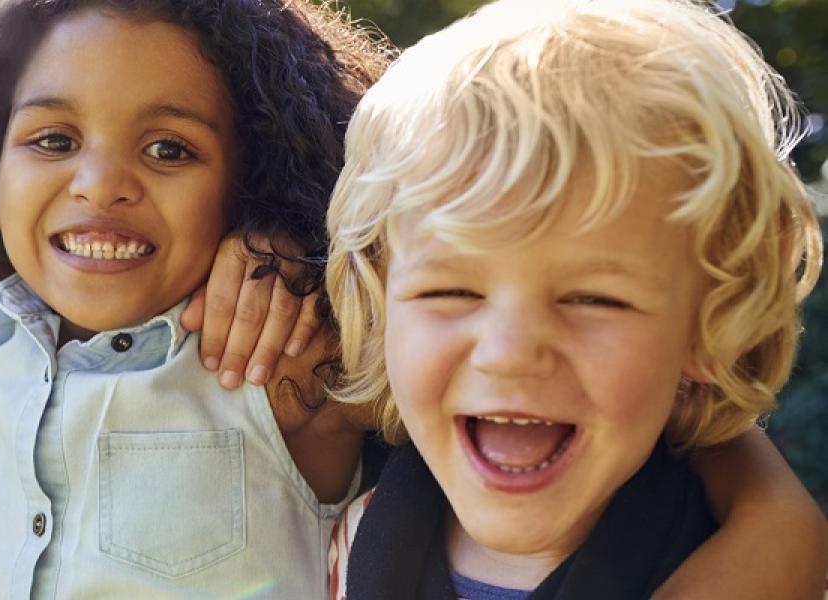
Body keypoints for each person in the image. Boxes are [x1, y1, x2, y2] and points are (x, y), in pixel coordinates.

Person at [323, 0, 828, 597]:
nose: (509, 353)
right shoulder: (338, 544)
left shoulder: (773, 572)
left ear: (708, 327)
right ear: (383, 307)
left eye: (594, 299)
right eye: (450, 290)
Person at [0, 1, 381, 595]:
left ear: (251, 181)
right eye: (54, 140)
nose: (100, 185)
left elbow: (444, 317)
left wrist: (300, 252)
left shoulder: (282, 349)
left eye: (168, 150)